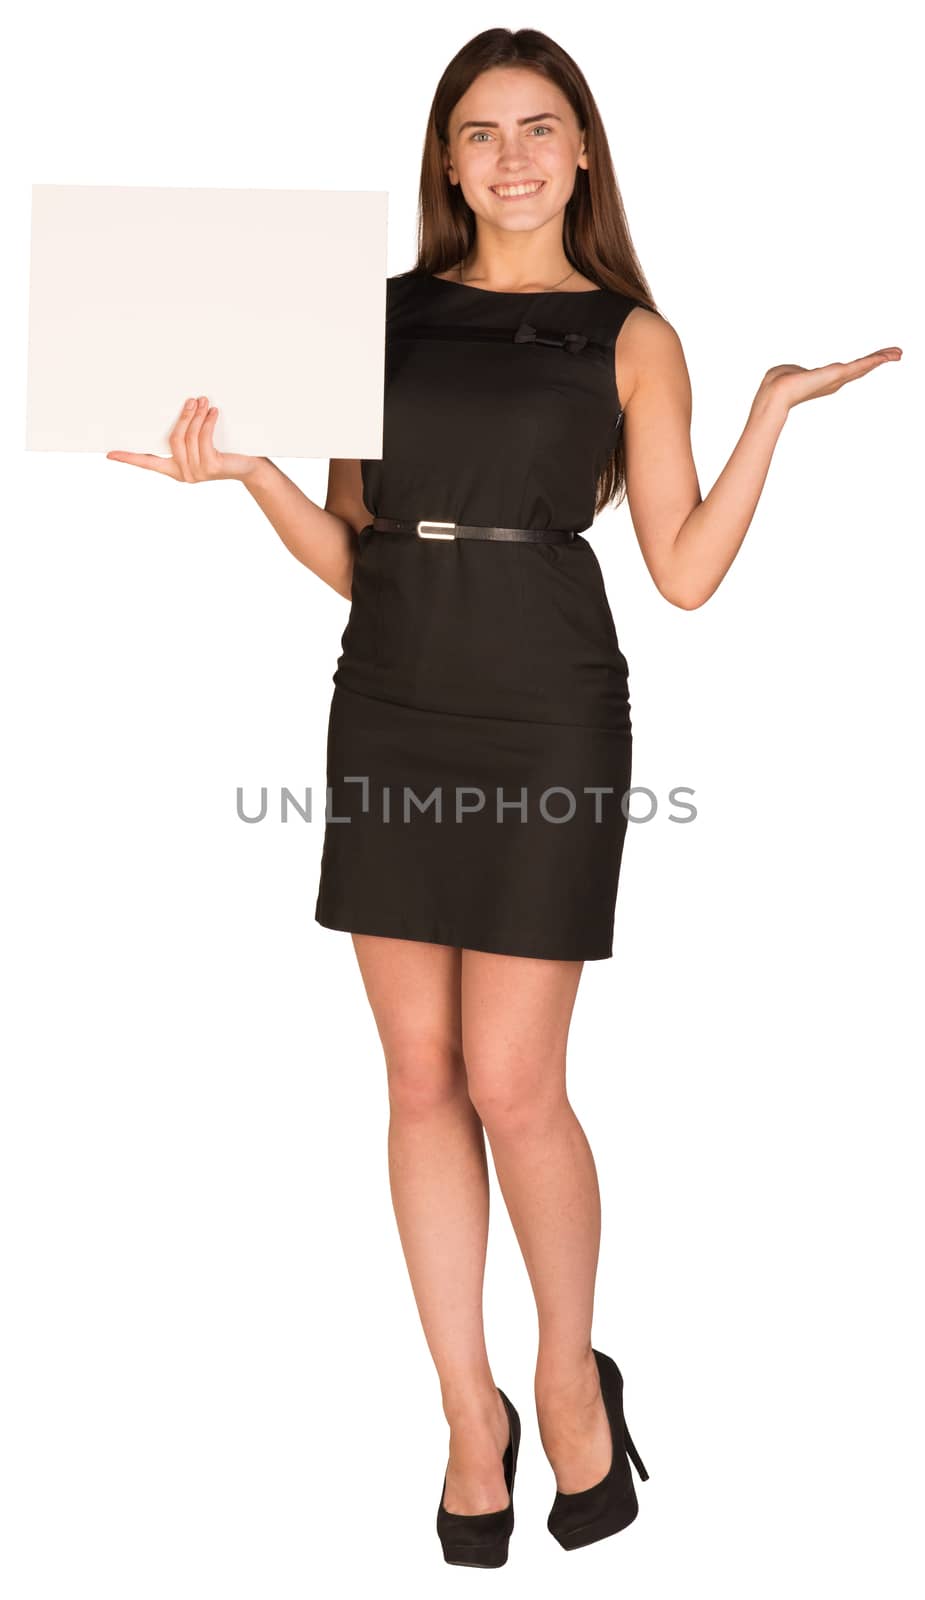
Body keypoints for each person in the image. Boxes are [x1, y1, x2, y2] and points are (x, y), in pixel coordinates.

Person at [106, 26, 901, 1568]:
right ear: (446, 160)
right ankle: (469, 1414)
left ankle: (565, 1375)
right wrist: (257, 476)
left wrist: (768, 414)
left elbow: (677, 573)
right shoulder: (370, 317)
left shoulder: (629, 334)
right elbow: (356, 553)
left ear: (583, 152)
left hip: (545, 715)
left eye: (541, 128)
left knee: (512, 1084)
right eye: (480, 133)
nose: (513, 155)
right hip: (390, 700)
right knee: (417, 1081)